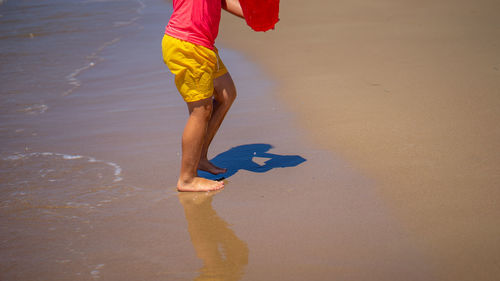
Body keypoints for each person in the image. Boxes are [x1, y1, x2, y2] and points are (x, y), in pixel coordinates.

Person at [162, 0, 244, 192]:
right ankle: (187, 178)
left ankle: (199, 157)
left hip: (202, 45)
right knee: (201, 110)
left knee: (227, 94)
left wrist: (259, 17)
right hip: (187, 44)